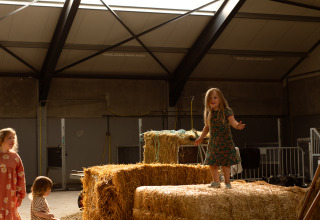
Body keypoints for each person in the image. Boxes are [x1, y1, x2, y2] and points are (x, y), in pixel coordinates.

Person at [194, 88, 245, 189]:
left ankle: (227, 182)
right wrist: (201, 137)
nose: (212, 100)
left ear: (220, 99)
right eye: (210, 98)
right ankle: (216, 182)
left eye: (215, 97)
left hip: (225, 141)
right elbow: (207, 127)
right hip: (214, 142)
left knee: (225, 163)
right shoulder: (210, 113)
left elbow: (233, 121)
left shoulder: (226, 111)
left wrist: (237, 126)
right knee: (212, 163)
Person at [0, 127, 26, 219]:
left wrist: (21, 194)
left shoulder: (15, 157)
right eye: (9, 138)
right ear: (1, 139)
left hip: (9, 196)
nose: (13, 140)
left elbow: (21, 177)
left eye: (14, 138)